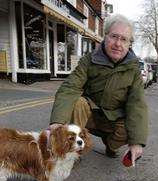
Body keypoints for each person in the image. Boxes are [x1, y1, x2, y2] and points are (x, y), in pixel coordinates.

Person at [50, 14, 148, 165]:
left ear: (130, 43)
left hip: (114, 118)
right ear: (105, 36)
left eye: (124, 39)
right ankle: (74, 152)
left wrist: (137, 142)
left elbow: (137, 104)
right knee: (78, 103)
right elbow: (70, 87)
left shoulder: (134, 69)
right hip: (91, 113)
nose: (118, 44)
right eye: (114, 36)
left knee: (131, 129)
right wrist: (57, 122)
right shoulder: (89, 60)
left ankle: (110, 145)